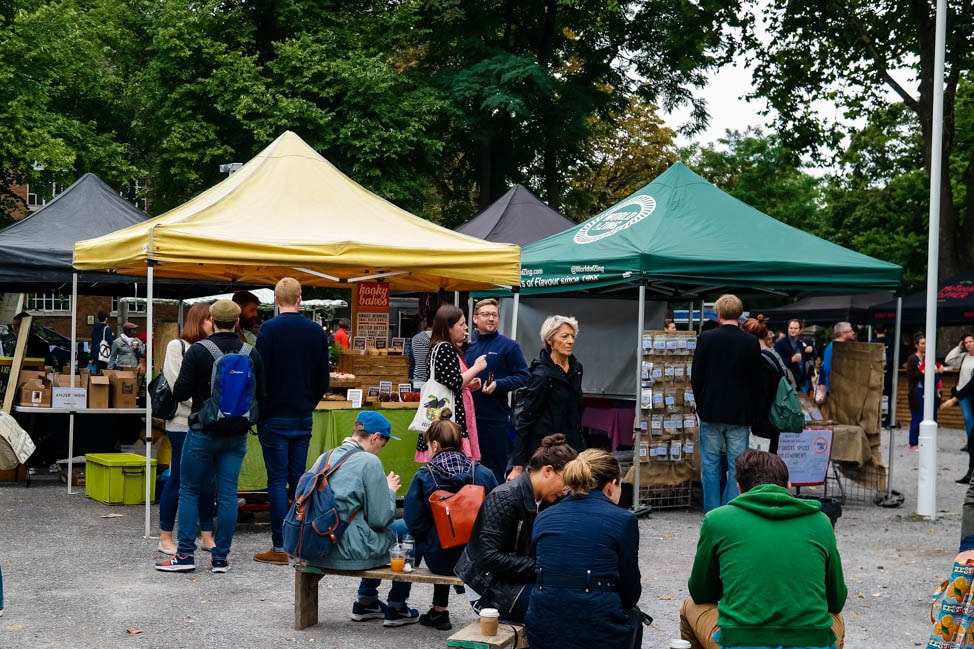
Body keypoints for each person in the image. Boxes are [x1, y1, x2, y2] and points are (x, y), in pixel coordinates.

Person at [680, 450, 847, 649]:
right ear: (788, 486)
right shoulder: (821, 522)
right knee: (836, 618)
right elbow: (836, 601)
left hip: (740, 643)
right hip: (810, 643)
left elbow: (701, 593)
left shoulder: (717, 520)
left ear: (739, 488)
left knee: (690, 606)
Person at [155, 299, 266, 574]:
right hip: (237, 434)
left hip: (203, 431)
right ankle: (220, 558)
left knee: (189, 490)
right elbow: (261, 396)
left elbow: (179, 392)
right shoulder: (251, 353)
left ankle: (184, 557)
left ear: (213, 321)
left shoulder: (199, 352)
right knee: (227, 493)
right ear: (237, 322)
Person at [526, 449, 642, 649]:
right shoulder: (623, 519)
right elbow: (630, 589)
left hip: (543, 624)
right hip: (601, 629)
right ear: (612, 485)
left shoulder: (544, 517)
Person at [454, 434, 578, 623]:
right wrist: (541, 567)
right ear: (548, 471)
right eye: (566, 482)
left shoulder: (545, 500)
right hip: (487, 586)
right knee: (560, 607)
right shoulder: (505, 497)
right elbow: (488, 557)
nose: (565, 490)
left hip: (516, 579)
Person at [315, 411, 421, 627]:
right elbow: (380, 520)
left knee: (370, 528)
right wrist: (389, 491)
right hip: (348, 550)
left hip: (318, 543)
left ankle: (367, 601)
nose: (380, 450)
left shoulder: (326, 456)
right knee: (412, 528)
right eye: (383, 444)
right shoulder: (369, 461)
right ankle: (397, 606)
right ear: (375, 437)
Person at [254, 278, 331, 565]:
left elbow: (262, 374)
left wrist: (264, 407)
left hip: (274, 415)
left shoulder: (269, 329)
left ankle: (279, 545)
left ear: (275, 299)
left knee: (276, 480)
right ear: (300, 299)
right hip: (302, 413)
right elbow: (323, 378)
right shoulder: (315, 331)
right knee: (299, 480)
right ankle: (299, 541)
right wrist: (307, 403)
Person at [403, 408, 498, 631]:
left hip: (440, 560)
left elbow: (413, 521)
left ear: (434, 445)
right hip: (477, 558)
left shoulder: (425, 476)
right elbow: (497, 515)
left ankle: (439, 611)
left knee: (442, 537)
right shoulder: (483, 473)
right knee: (456, 541)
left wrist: (431, 539)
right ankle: (487, 612)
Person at [690, 294, 763, 513]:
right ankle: (732, 510)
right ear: (740, 315)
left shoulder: (706, 338)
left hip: (711, 410)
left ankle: (712, 512)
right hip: (739, 414)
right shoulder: (750, 342)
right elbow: (756, 381)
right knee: (737, 466)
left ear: (718, 314)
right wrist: (753, 412)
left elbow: (696, 377)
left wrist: (701, 405)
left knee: (710, 465)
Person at [157, 303, 216, 556]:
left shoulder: (210, 348)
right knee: (179, 477)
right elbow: (176, 386)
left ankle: (206, 535)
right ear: (199, 320)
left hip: (205, 423)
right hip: (182, 423)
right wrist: (208, 407)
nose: (213, 324)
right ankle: (165, 536)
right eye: (209, 320)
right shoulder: (177, 346)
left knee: (206, 481)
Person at [509, 315, 584, 482]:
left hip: (572, 446)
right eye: (564, 336)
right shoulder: (542, 375)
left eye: (572, 336)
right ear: (550, 340)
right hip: (547, 451)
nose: (570, 341)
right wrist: (517, 465)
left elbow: (577, 412)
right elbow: (525, 418)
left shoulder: (576, 369)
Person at [465, 298, 530, 483]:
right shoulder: (468, 347)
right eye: (486, 314)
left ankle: (495, 509)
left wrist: (499, 384)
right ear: (475, 319)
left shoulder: (509, 346)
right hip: (468, 420)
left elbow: (524, 376)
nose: (491, 318)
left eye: (494, 315)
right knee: (470, 472)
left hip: (495, 421)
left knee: (493, 472)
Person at [415, 305, 486, 462]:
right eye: (461, 324)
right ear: (448, 328)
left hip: (445, 416)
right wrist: (476, 368)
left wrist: (468, 384)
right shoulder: (445, 347)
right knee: (451, 463)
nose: (466, 328)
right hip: (450, 419)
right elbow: (455, 382)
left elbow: (449, 381)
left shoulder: (438, 346)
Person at [742, 317, 786, 454]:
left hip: (762, 423)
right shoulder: (774, 356)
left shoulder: (760, 360)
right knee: (770, 461)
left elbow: (761, 395)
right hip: (775, 417)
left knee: (760, 465)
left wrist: (752, 420)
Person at [906, 333, 942, 451]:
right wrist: (924, 373)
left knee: (932, 416)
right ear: (916, 345)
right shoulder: (912, 359)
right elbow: (912, 374)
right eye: (922, 343)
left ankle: (930, 442)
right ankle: (914, 443)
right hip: (918, 391)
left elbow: (937, 367)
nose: (925, 345)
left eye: (926, 343)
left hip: (931, 390)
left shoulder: (929, 357)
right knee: (918, 416)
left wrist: (939, 369)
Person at [815, 321, 856, 403]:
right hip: (834, 391)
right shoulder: (833, 348)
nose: (853, 333)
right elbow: (827, 369)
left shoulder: (840, 347)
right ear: (844, 334)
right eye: (850, 331)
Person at [773, 318, 814, 394]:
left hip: (802, 381)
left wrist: (810, 351)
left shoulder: (800, 343)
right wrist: (790, 360)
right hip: (789, 382)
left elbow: (805, 358)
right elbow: (775, 360)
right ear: (788, 329)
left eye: (795, 328)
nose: (793, 330)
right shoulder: (781, 343)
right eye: (791, 328)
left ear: (799, 330)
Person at [410, 320, 432, 388]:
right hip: (435, 384)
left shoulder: (415, 339)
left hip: (418, 382)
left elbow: (412, 361)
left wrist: (410, 376)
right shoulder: (440, 340)